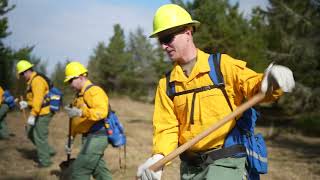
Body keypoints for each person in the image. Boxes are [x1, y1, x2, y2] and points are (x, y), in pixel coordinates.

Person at [137, 4, 295, 180]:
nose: (163, 46)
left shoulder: (221, 66)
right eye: (160, 40)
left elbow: (255, 86)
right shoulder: (166, 85)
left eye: (168, 38)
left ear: (188, 33)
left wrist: (270, 80)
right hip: (191, 168)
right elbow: (166, 127)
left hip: (226, 159)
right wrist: (159, 157)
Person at [63, 61, 112, 180]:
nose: (70, 84)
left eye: (71, 80)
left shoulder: (93, 91)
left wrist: (81, 112)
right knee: (99, 172)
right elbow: (75, 121)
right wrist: (71, 137)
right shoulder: (79, 95)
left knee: (79, 171)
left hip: (97, 135)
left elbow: (101, 112)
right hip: (89, 136)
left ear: (80, 77)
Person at [16, 60, 56, 168]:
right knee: (30, 133)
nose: (21, 77)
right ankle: (49, 151)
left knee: (39, 136)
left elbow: (38, 99)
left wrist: (33, 114)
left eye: (21, 74)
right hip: (39, 110)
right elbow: (34, 100)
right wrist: (27, 103)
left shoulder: (37, 81)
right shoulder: (32, 81)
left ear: (26, 72)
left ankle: (45, 162)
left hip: (44, 112)